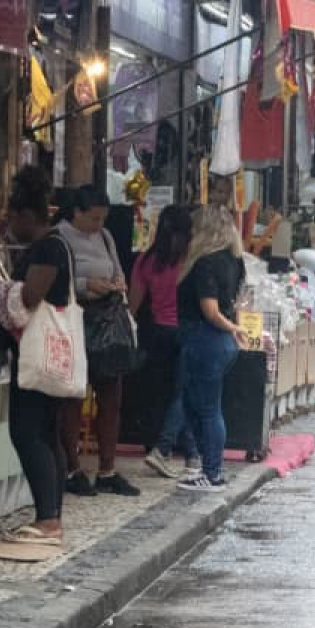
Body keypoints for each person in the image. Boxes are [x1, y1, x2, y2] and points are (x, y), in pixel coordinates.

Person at [1, 167, 73, 545]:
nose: (11, 225)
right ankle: (51, 515)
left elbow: (31, 297)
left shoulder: (48, 248)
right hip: (50, 354)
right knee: (46, 432)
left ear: (28, 215)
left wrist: (2, 293)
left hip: (38, 352)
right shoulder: (57, 244)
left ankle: (48, 520)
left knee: (28, 432)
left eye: (13, 217)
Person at [54, 185, 138, 497]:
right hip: (76, 320)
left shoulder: (105, 237)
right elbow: (58, 279)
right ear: (76, 212)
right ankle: (72, 467)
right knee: (73, 397)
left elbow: (118, 269)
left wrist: (117, 283)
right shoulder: (60, 237)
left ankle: (107, 469)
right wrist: (87, 284)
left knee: (111, 397)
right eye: (93, 218)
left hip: (107, 321)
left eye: (102, 219)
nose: (98, 224)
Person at [174, 206, 252, 492]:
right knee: (203, 406)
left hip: (205, 337)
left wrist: (231, 327)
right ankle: (210, 468)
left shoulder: (205, 263)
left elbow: (210, 310)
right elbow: (238, 301)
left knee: (205, 408)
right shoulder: (235, 261)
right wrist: (234, 328)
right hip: (220, 342)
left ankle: (212, 472)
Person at [131, 204, 198, 479]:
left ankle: (175, 450)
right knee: (184, 393)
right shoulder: (191, 260)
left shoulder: (146, 260)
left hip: (157, 332)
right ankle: (176, 450)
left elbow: (134, 303)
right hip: (186, 330)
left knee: (163, 393)